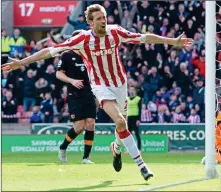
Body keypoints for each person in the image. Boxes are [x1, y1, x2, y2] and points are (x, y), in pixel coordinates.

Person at [2, 4, 193, 181]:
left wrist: (172, 41)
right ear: (90, 22)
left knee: (122, 124)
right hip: (100, 86)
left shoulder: (115, 32)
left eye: (105, 17)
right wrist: (22, 62)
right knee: (119, 121)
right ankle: (142, 165)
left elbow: (144, 38)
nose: (104, 20)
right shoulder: (82, 39)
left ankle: (116, 148)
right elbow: (48, 51)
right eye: (99, 18)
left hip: (120, 84)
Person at [56, 31, 97, 164]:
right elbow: (58, 74)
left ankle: (86, 157)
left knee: (91, 123)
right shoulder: (66, 55)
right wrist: (72, 81)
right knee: (79, 127)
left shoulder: (89, 55)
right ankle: (63, 147)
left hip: (89, 93)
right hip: (74, 94)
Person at [127, 86, 142, 153]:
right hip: (128, 118)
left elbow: (140, 109)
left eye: (133, 90)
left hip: (135, 117)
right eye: (130, 90)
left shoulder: (138, 99)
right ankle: (129, 149)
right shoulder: (126, 99)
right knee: (128, 135)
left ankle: (139, 149)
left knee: (137, 134)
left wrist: (139, 119)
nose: (131, 91)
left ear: (135, 91)